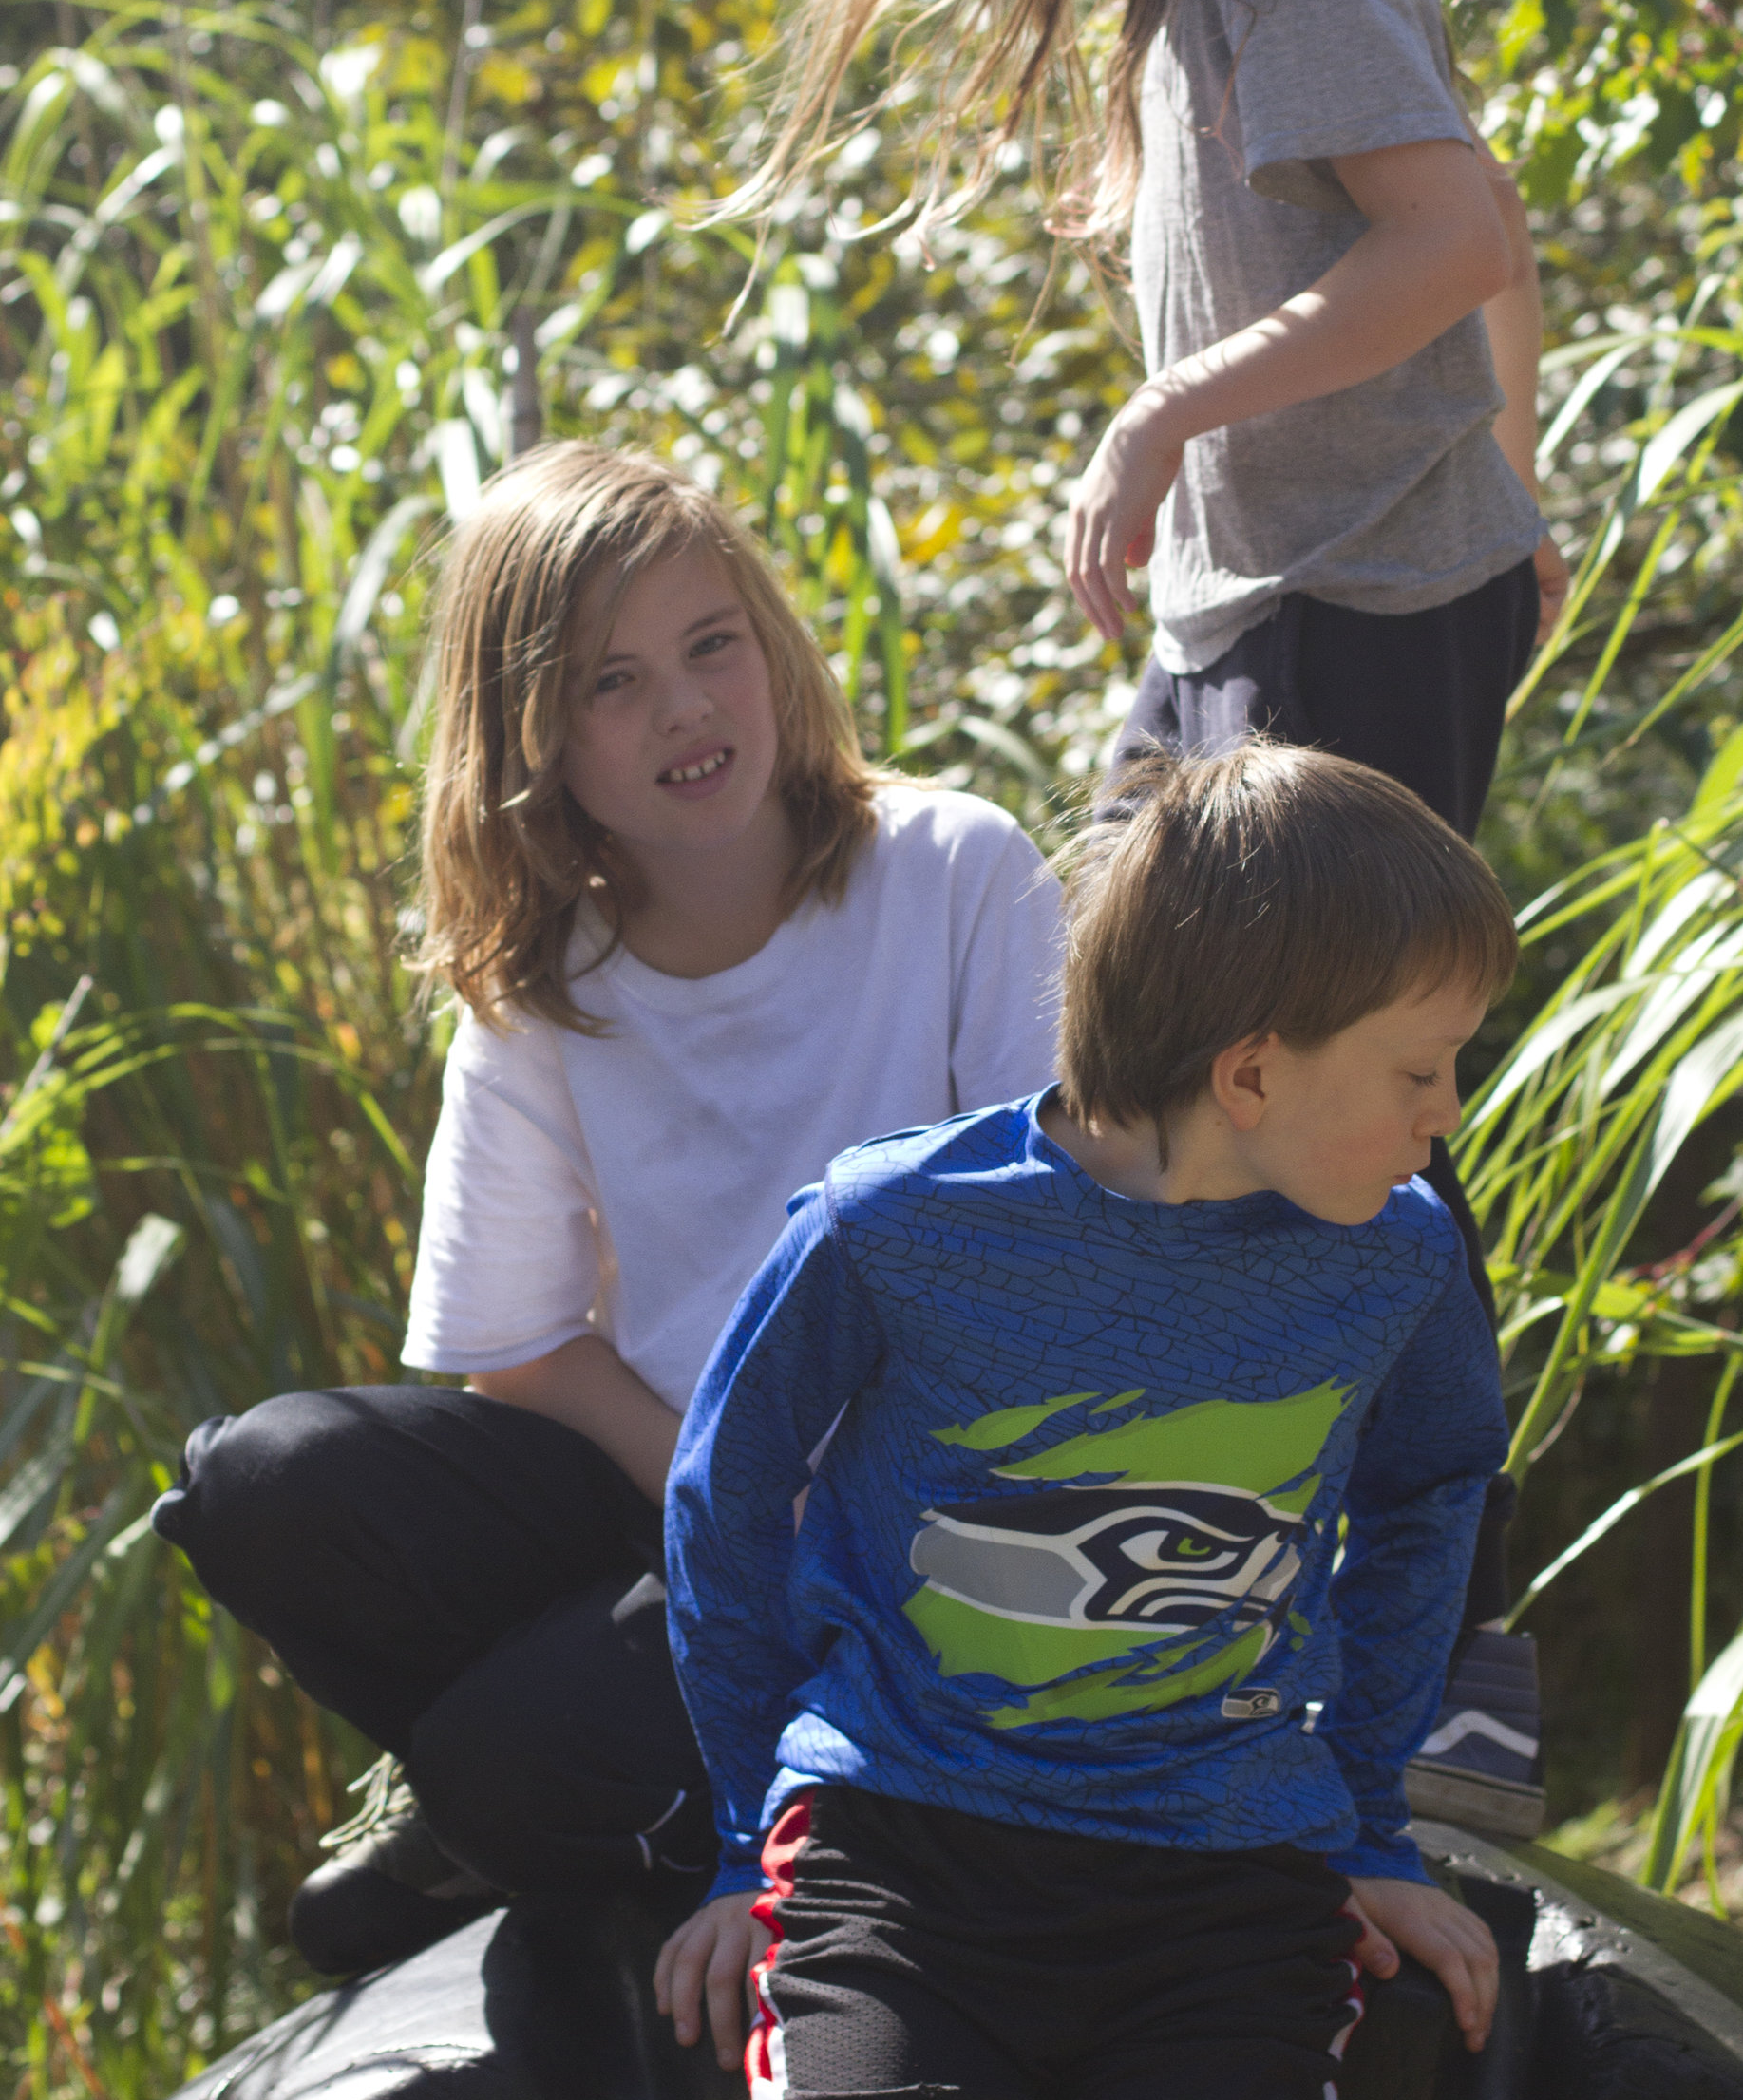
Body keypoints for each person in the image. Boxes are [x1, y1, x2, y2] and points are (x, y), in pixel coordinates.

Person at [751, 0, 1561, 1826]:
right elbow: (1469, 221)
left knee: (1339, 1106)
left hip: (1346, 614)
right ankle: (1143, 1577)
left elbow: (1450, 219)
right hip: (1274, 598)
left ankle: (1435, 1671)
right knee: (1116, 1050)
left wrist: (1167, 414)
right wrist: (1507, 473)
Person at [655, 741, 1512, 2100]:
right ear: (1254, 1069)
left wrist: (1363, 1821)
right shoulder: (899, 1224)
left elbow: (1432, 1490)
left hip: (1221, 1898)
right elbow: (724, 1493)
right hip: (907, 1876)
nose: (1445, 1113)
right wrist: (747, 1825)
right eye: (1420, 1066)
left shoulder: (1396, 1259)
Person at [153, 441, 1063, 1978]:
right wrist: (729, 1493)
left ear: (771, 645)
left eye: (712, 645)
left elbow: (1055, 1258)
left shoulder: (953, 871)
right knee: (261, 1478)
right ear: (533, 739)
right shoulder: (541, 988)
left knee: (511, 1764)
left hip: (934, 1529)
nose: (687, 709)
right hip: (691, 1486)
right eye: (613, 682)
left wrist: (825, 1513)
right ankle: (525, 1784)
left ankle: (522, 1799)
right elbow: (514, 1348)